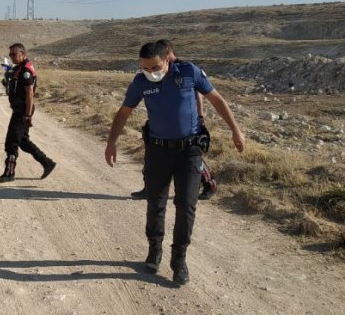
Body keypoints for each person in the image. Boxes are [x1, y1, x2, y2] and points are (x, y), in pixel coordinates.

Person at [104, 41, 245, 286]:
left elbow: (216, 99)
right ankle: (154, 249)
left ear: (167, 60)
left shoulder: (189, 72)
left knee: (186, 204)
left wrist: (235, 129)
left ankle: (179, 258)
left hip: (189, 151)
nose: (151, 73)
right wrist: (111, 142)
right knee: (155, 203)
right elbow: (124, 112)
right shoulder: (141, 83)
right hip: (158, 151)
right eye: (145, 68)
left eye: (155, 67)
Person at [131, 39, 218, 200]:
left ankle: (208, 182)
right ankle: (149, 187)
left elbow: (198, 95)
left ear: (169, 53)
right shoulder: (158, 72)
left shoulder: (185, 69)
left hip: (189, 124)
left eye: (166, 54)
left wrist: (200, 115)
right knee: (152, 154)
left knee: (193, 156)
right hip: (161, 127)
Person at [0, 43, 57, 182]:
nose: (11, 57)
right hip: (20, 109)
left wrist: (27, 115)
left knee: (12, 142)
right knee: (23, 141)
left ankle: (9, 173)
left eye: (14, 54)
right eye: (10, 54)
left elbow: (29, 95)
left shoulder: (25, 71)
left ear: (22, 54)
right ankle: (47, 163)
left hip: (22, 111)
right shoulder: (19, 68)